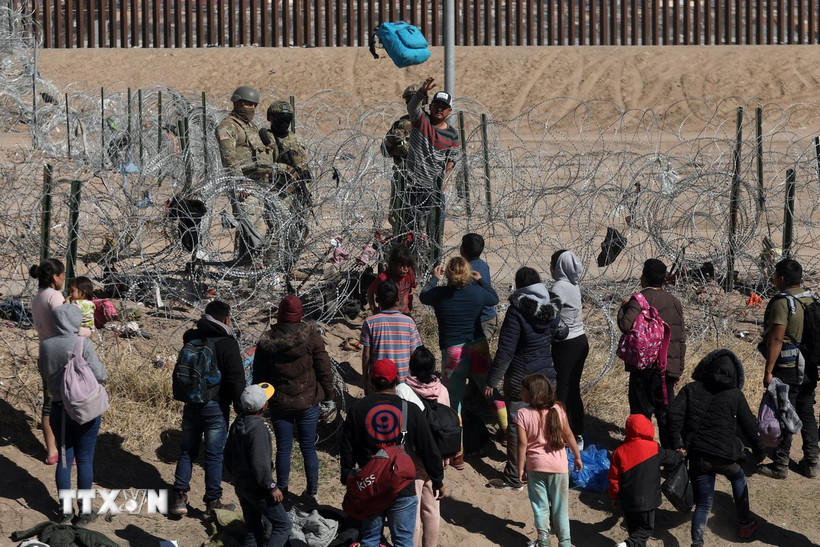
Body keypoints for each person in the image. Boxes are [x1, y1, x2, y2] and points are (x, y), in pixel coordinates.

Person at [340, 358, 445, 547]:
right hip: (402, 485)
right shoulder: (410, 410)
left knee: (370, 539)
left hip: (370, 486)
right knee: (403, 541)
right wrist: (437, 479)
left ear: (371, 381)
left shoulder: (357, 409)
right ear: (397, 380)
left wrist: (347, 476)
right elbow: (429, 448)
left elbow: (347, 447)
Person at [668, 348, 765, 545]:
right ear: (735, 374)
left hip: (698, 456)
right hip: (725, 456)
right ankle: (745, 523)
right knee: (738, 478)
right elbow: (750, 425)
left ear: (706, 367)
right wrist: (760, 451)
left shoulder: (691, 389)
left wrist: (678, 444)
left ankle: (697, 542)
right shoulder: (735, 395)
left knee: (703, 503)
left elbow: (672, 416)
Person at [485, 267, 567, 490]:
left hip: (523, 379)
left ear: (519, 286)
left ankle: (514, 476)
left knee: (517, 425)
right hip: (547, 376)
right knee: (544, 423)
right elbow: (562, 332)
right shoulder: (551, 308)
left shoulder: (516, 312)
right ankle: (540, 469)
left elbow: (506, 351)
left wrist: (492, 380)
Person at [419, 256, 502, 469]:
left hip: (453, 352)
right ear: (467, 274)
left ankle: (457, 453)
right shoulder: (476, 292)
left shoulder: (439, 294)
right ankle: (508, 432)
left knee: (453, 402)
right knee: (491, 391)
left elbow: (423, 296)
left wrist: (433, 279)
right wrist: (481, 280)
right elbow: (494, 299)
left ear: (447, 273)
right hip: (477, 346)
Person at [252, 294, 334, 504]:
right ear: (300, 314)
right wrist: (329, 396)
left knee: (284, 447)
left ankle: (283, 489)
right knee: (308, 448)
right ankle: (312, 492)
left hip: (280, 403)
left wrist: (264, 401)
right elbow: (324, 368)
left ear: (279, 314)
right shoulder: (312, 336)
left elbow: (259, 375)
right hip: (308, 401)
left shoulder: (267, 341)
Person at [171, 300, 245, 518]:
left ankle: (179, 497)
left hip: (191, 403)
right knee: (213, 455)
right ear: (226, 319)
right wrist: (241, 407)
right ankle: (213, 501)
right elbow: (236, 378)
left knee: (187, 451)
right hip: (215, 405)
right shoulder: (227, 343)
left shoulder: (191, 337)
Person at [39, 304, 107, 526]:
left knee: (64, 459)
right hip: (83, 409)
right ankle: (85, 512)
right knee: (85, 459)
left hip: (58, 408)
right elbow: (100, 374)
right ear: (76, 321)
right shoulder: (82, 343)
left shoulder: (46, 346)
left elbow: (44, 372)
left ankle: (64, 510)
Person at [757, 258, 819, 479]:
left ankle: (780, 464)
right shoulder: (810, 297)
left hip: (789, 367)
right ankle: (811, 461)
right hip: (810, 366)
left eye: (774, 275)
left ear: (781, 279)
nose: (773, 279)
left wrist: (768, 371)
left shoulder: (782, 303)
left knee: (785, 410)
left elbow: (776, 337)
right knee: (806, 411)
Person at [617, 258, 686, 449]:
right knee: (666, 414)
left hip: (643, 367)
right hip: (665, 368)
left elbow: (625, 325)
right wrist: (678, 368)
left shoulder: (639, 299)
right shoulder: (674, 302)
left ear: (644, 278)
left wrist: (624, 308)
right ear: (664, 279)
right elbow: (679, 337)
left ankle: (642, 454)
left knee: (641, 413)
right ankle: (671, 456)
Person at [515, 374, 582, 547]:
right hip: (559, 467)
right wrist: (577, 456)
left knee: (540, 506)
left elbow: (522, 444)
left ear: (532, 393)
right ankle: (565, 542)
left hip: (536, 466)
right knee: (561, 508)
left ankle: (543, 539)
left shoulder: (522, 414)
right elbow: (568, 434)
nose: (520, 391)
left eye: (523, 389)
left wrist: (520, 467)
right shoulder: (558, 409)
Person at [400, 77, 460, 265]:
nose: (439, 109)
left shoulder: (452, 134)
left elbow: (452, 158)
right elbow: (412, 108)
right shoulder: (421, 120)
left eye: (443, 106)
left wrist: (445, 180)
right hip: (412, 184)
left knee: (432, 230)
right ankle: (409, 264)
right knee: (409, 230)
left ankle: (429, 265)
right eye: (436, 105)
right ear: (431, 106)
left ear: (449, 110)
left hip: (433, 189)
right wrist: (421, 93)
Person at [224, 382, 292, 547]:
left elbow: (227, 455)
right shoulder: (258, 429)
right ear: (264, 406)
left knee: (253, 528)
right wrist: (271, 486)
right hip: (258, 488)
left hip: (241, 485)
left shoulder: (238, 422)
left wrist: (238, 476)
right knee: (283, 525)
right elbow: (260, 463)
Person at [216, 85, 276, 265]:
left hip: (262, 183)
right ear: (236, 103)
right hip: (245, 184)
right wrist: (240, 182)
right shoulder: (228, 126)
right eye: (246, 104)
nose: (250, 108)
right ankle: (249, 269)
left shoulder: (252, 127)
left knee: (264, 225)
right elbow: (229, 157)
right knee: (252, 228)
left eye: (253, 105)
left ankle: (256, 266)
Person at [608, 414, 684, 547]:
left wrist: (615, 497)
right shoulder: (654, 448)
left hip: (627, 501)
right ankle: (626, 545)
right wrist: (680, 454)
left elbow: (614, 478)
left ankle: (629, 544)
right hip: (647, 501)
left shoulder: (619, 452)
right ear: (648, 428)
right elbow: (670, 458)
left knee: (635, 532)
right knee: (645, 529)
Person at [403, 346, 451, 547]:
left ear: (411, 367)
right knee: (432, 508)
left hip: (413, 456)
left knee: (412, 510)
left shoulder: (404, 389)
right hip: (437, 456)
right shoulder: (442, 389)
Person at [263, 100, 313, 271]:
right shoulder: (266, 138)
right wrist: (286, 168)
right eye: (280, 118)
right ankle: (270, 269)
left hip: (298, 191)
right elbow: (264, 164)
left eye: (287, 118)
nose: (284, 121)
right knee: (276, 230)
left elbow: (303, 160)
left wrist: (305, 173)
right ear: (271, 118)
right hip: (277, 191)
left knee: (300, 230)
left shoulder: (295, 138)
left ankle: (290, 266)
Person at [549, 250, 589, 448]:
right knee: (573, 389)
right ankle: (577, 432)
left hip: (567, 345)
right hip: (579, 341)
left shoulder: (560, 287)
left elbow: (550, 315)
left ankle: (558, 435)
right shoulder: (573, 284)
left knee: (563, 391)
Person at [30, 258, 67, 465]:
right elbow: (67, 325)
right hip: (60, 355)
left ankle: (51, 451)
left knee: (49, 403)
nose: (64, 279)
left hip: (44, 353)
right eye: (62, 276)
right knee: (66, 403)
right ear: (55, 277)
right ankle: (65, 448)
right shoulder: (55, 296)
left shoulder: (38, 297)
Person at [360, 279, 422, 384]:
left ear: (377, 300)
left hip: (378, 381)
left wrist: (365, 379)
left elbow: (366, 355)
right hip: (403, 380)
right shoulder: (409, 322)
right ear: (397, 299)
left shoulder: (370, 322)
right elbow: (414, 354)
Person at [383, 84, 425, 233]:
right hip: (418, 176)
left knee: (399, 216)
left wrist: (398, 148)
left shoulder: (401, 125)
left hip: (406, 175)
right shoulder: (432, 122)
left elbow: (386, 149)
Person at [460, 233, 498, 340]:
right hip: (488, 318)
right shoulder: (483, 265)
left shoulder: (467, 271)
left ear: (463, 250)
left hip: (481, 322)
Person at [366, 244, 418, 316]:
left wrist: (410, 304)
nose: (405, 268)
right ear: (393, 264)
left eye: (408, 265)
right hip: (387, 314)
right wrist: (373, 309)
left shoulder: (409, 274)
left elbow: (412, 288)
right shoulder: (384, 278)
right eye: (402, 265)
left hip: (404, 313)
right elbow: (370, 291)